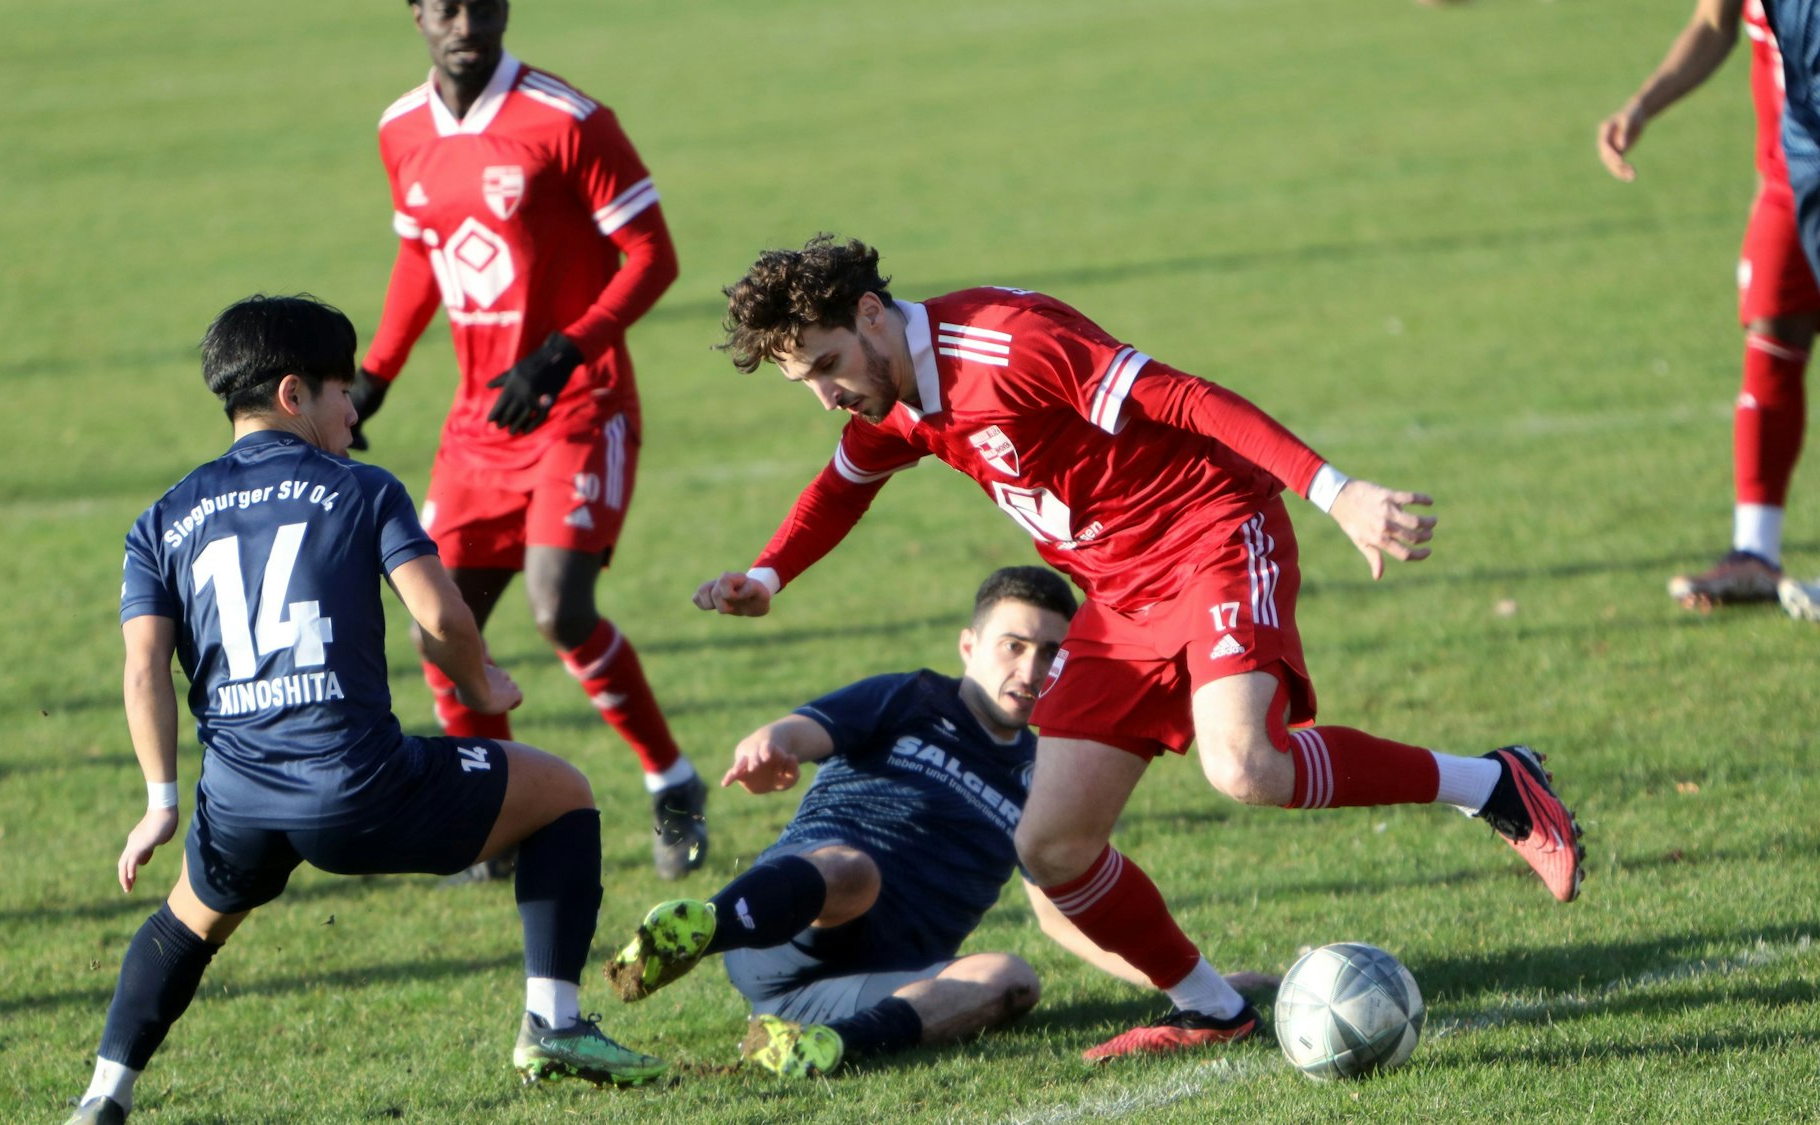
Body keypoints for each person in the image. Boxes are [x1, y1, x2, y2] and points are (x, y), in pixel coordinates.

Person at [692, 235, 1587, 1062]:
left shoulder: (1008, 343)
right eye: (805, 381)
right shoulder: (897, 400)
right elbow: (843, 483)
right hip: (1120, 598)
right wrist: (767, 576)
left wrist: (1335, 490)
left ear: (872, 315)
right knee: (1053, 845)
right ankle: (1212, 1009)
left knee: (1246, 765)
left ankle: (1494, 784)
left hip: (1212, 535)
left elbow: (1187, 398)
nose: (827, 395)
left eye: (829, 366)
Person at [62, 295, 664, 1125]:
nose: (354, 410)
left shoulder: (161, 519)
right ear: (292, 394)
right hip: (361, 787)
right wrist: (480, 685)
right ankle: (553, 1025)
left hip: (239, 800)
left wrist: (161, 801)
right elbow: (443, 616)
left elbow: (143, 670)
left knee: (185, 921)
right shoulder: (361, 488)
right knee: (563, 792)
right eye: (342, 390)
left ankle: (103, 1094)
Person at [607, 567, 1263, 1075]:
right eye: (1013, 646)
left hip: (881, 982)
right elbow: (796, 732)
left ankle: (821, 1045)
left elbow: (1062, 913)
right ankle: (696, 933)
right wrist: (768, 746)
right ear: (969, 646)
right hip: (783, 927)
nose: (1030, 669)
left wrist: (1190, 984)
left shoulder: (1048, 773)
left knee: (1010, 977)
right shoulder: (911, 696)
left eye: (1051, 654)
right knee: (854, 873)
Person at [350, 0, 706, 878]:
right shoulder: (401, 130)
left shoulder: (568, 121)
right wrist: (375, 375)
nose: (465, 22)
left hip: (581, 404)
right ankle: (497, 818)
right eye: (444, 6)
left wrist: (562, 353)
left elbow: (653, 256)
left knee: (559, 609)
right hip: (480, 423)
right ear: (415, 15)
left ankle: (672, 779)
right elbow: (422, 253)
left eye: (481, 4)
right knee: (442, 629)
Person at [1598, 0, 1820, 613]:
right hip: (1787, 180)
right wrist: (1641, 106)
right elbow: (1713, 23)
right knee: (1771, 337)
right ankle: (1755, 552)